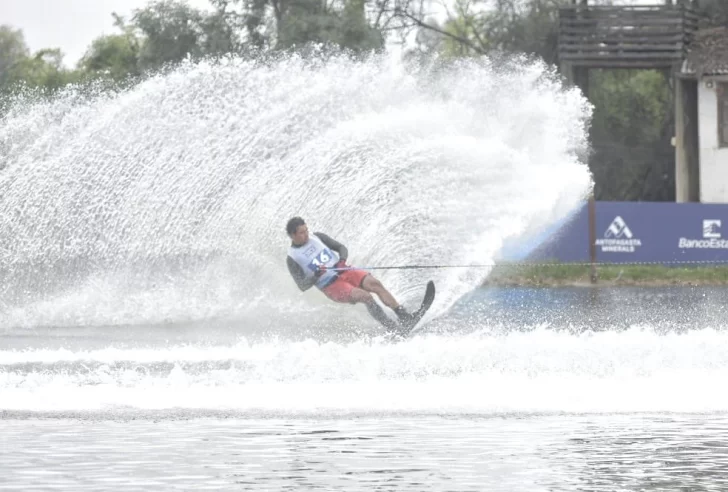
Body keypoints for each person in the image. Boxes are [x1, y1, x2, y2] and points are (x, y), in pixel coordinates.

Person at [285, 216, 414, 331]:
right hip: (331, 286)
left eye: (306, 230)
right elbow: (302, 285)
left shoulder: (317, 237)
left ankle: (404, 316)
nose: (306, 234)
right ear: (293, 235)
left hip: (344, 271)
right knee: (365, 296)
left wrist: (342, 260)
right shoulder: (292, 258)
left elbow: (341, 248)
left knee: (374, 284)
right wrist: (316, 276)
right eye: (302, 232)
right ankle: (393, 329)